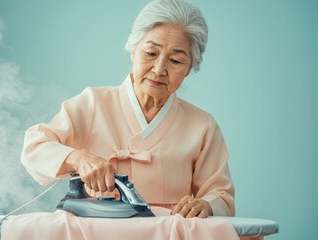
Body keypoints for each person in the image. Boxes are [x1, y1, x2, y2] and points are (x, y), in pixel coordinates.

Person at [21, 0, 234, 218]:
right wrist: (79, 158)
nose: (159, 69)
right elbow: (33, 147)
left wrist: (206, 205)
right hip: (95, 229)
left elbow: (221, 196)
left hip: (166, 231)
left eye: (176, 61)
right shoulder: (93, 103)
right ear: (133, 50)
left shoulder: (202, 126)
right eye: (151, 53)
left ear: (190, 68)